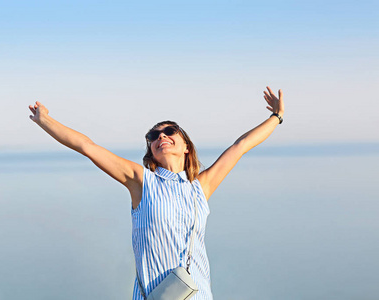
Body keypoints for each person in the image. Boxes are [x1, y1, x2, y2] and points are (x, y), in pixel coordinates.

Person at [28, 86, 284, 299]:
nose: (161, 136)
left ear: (185, 146)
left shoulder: (200, 187)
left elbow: (240, 146)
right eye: (154, 135)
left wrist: (276, 116)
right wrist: (44, 120)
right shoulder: (141, 182)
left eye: (170, 131)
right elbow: (88, 146)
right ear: (151, 149)